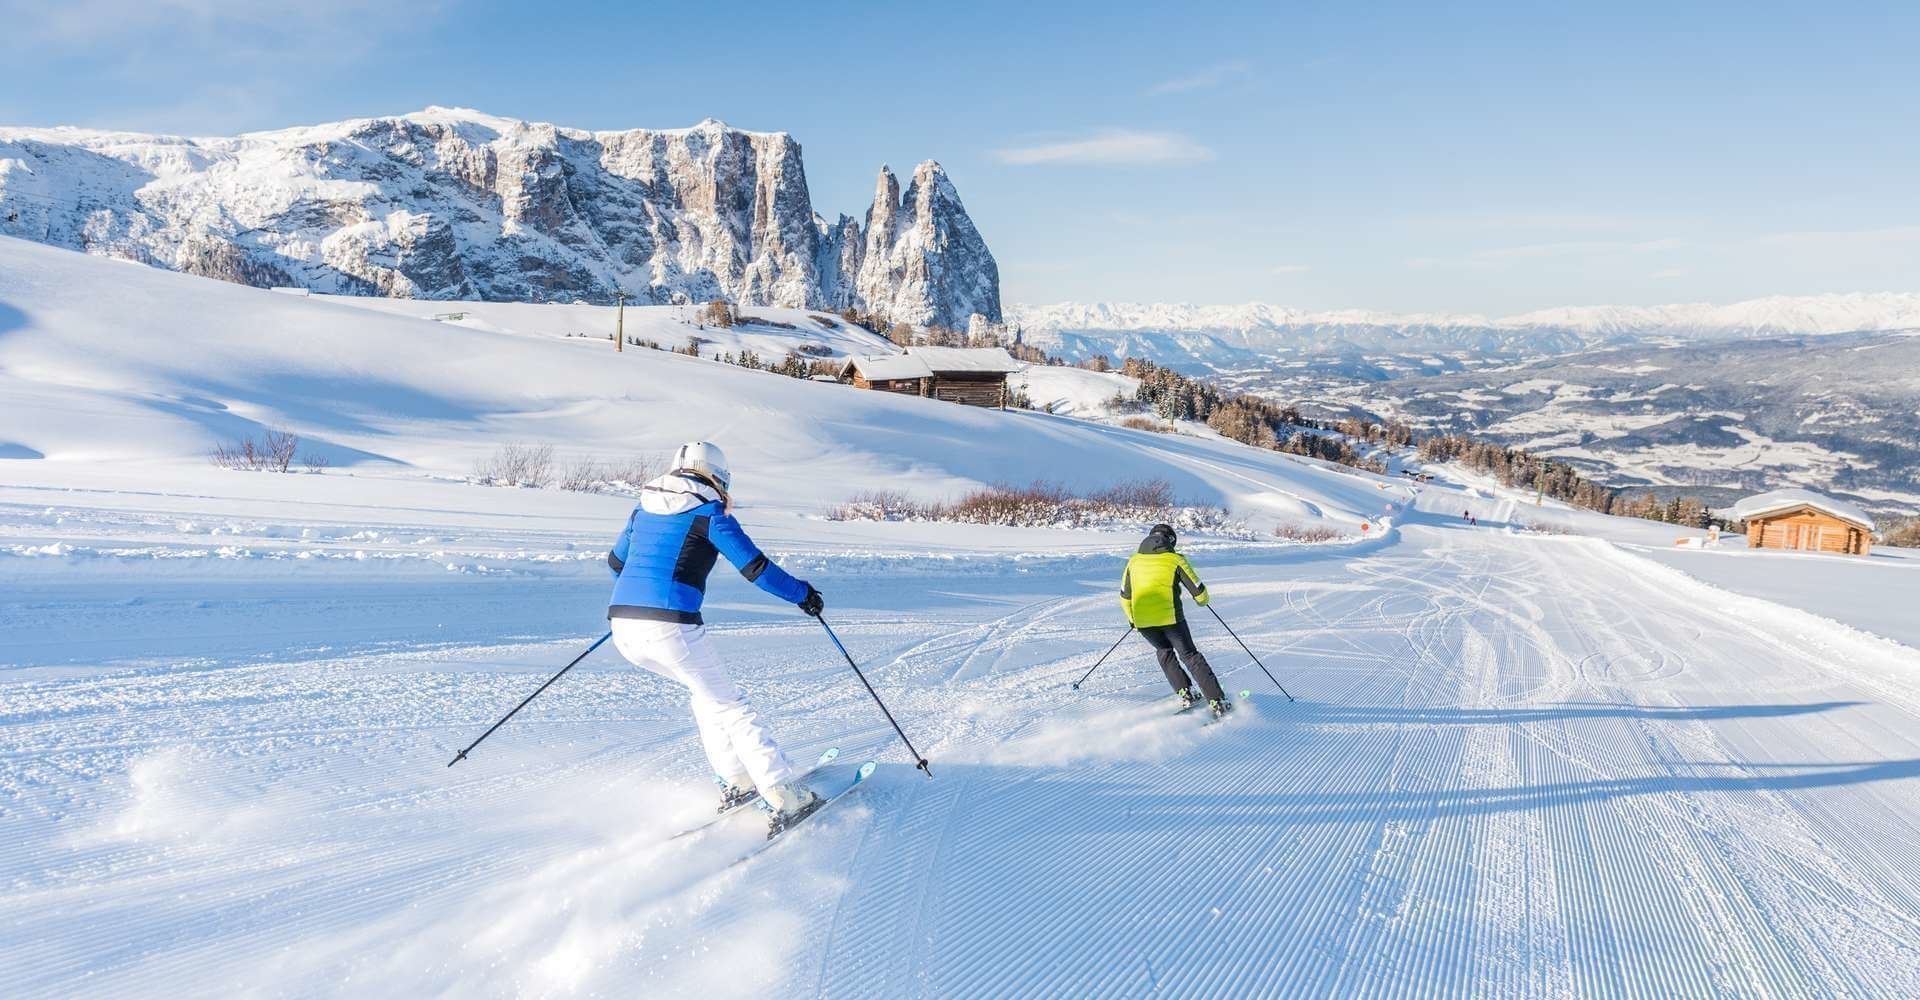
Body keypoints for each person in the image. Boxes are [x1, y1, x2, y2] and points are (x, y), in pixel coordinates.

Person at [605, 441, 828, 830]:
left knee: (708, 696)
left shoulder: (642, 509)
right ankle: (780, 791)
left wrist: (639, 604)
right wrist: (804, 595)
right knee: (733, 706)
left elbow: (616, 563)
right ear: (717, 478)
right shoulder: (708, 514)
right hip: (669, 627)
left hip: (623, 627)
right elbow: (756, 568)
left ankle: (737, 780)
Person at [1119, 523, 1232, 718]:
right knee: (1190, 656)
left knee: (1164, 652)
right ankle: (1217, 701)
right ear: (1170, 541)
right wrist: (1202, 599)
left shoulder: (1133, 561)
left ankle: (1186, 693)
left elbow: (1124, 597)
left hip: (1143, 622)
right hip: (1171, 619)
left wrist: (1133, 620)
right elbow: (1200, 594)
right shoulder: (1175, 560)